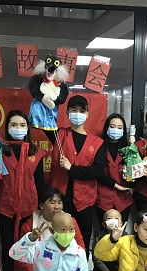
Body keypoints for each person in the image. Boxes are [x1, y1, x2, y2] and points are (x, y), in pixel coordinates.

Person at [46, 95, 106, 254]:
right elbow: (42, 118)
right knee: (56, 241)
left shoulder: (97, 143)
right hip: (60, 200)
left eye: (81, 111)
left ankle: (81, 270)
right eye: (73, 110)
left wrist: (72, 168)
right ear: (67, 113)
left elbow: (98, 170)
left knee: (82, 243)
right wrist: (48, 92)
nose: (77, 114)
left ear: (87, 114)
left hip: (85, 201)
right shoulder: (58, 134)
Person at [0, 110, 46, 271]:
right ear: (7, 127)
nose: (18, 128)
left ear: (27, 128)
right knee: (8, 245)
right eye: (14, 125)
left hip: (28, 207)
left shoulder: (36, 152)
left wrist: (44, 208)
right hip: (5, 206)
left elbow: (40, 183)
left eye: (22, 125)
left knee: (28, 245)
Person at [96, 113, 133, 224]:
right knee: (104, 231)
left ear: (123, 130)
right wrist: (116, 185)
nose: (116, 130)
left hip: (124, 199)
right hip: (103, 198)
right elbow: (97, 172)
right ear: (107, 128)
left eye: (119, 127)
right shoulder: (99, 147)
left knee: (121, 231)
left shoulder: (129, 149)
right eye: (112, 126)